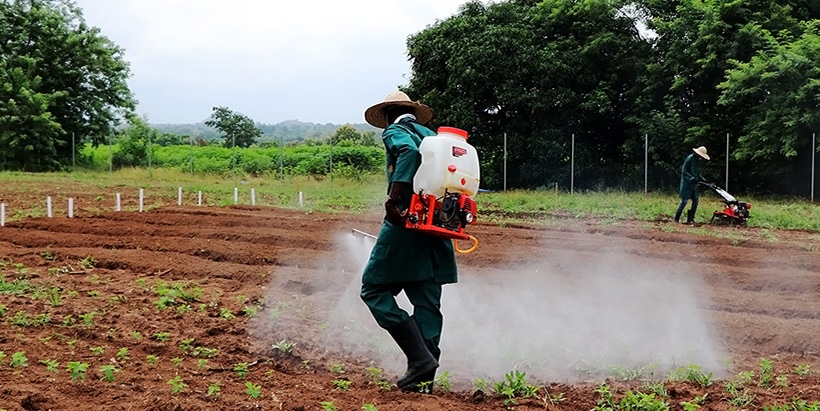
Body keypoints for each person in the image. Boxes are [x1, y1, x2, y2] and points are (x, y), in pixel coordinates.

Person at [359, 90, 458, 392]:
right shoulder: (434, 136)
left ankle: (420, 360)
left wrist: (393, 200)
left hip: (407, 222)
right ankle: (423, 381)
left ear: (388, 113)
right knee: (426, 298)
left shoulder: (396, 131)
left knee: (373, 289)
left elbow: (408, 154)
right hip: (439, 223)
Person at [674, 146, 710, 224]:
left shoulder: (697, 161)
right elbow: (684, 171)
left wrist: (703, 180)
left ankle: (690, 219)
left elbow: (697, 173)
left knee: (695, 201)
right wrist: (691, 179)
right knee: (685, 201)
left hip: (694, 185)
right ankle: (676, 219)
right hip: (687, 184)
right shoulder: (689, 158)